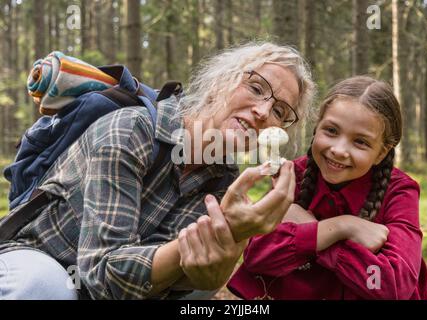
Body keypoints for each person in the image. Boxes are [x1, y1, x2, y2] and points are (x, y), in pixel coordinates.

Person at [0, 42, 315, 300]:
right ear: (222, 81)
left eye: (279, 111)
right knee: (46, 286)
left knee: (199, 283)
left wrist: (224, 249)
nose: (262, 112)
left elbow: (151, 279)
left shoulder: (223, 179)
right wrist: (224, 232)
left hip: (101, 286)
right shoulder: (130, 130)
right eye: (257, 88)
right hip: (38, 259)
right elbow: (101, 274)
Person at [228, 76, 427, 300]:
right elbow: (257, 256)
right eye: (331, 131)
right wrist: (342, 227)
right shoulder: (293, 175)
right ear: (317, 127)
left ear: (382, 152)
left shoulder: (399, 192)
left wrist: (314, 231)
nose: (339, 150)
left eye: (360, 142)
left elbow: (393, 285)